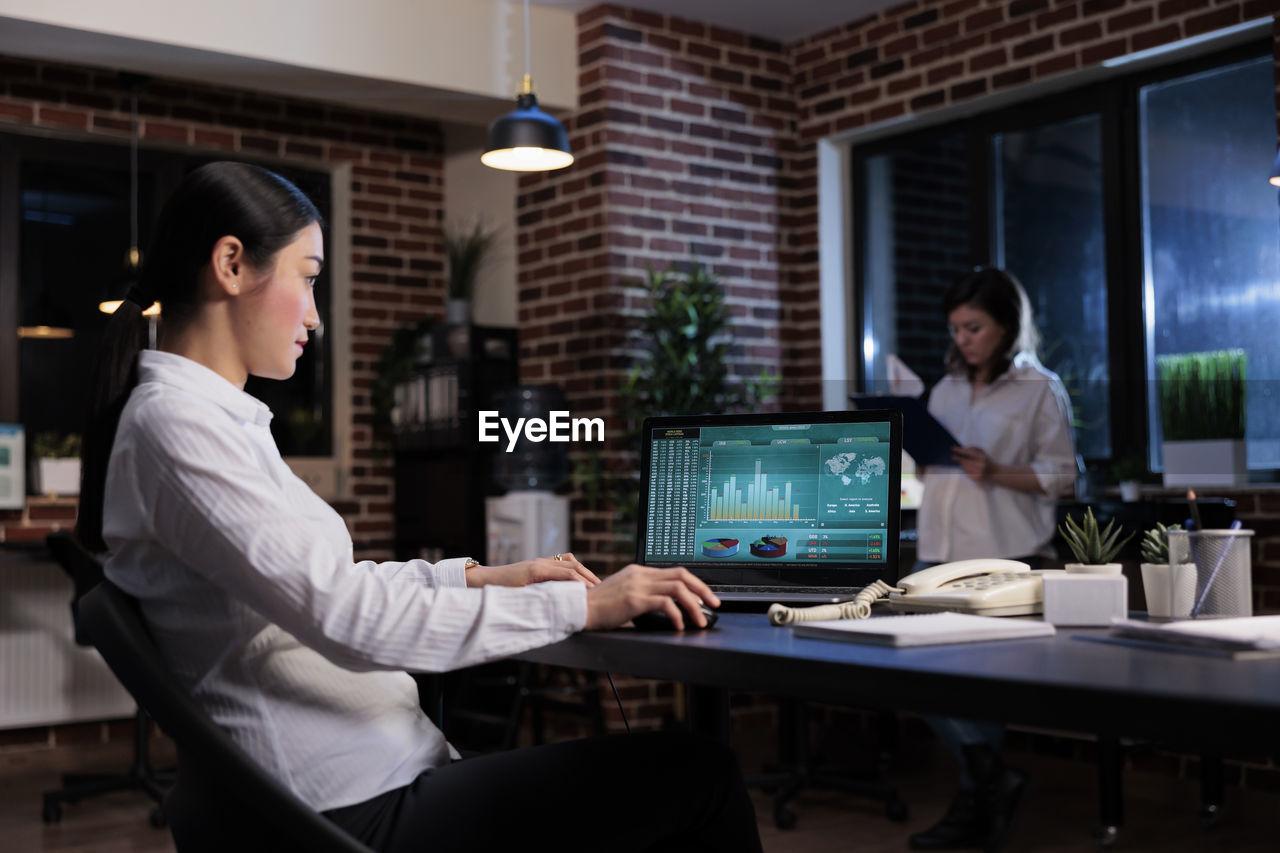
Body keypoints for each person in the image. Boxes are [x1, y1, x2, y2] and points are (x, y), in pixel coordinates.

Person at [77, 161, 763, 853]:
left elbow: (335, 587)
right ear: (230, 263)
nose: (315, 314)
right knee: (700, 774)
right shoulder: (178, 427)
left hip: (367, 780)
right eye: (309, 276)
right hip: (351, 809)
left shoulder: (211, 423)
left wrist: (479, 576)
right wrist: (585, 605)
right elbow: (347, 617)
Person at [908, 267, 1076, 852]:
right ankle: (991, 779)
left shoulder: (1039, 388)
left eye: (974, 327)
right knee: (910, 671)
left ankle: (978, 797)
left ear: (1006, 326)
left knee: (978, 688)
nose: (963, 340)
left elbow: (1063, 478)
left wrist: (995, 470)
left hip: (1005, 559)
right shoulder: (945, 389)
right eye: (955, 329)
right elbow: (934, 470)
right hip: (936, 553)